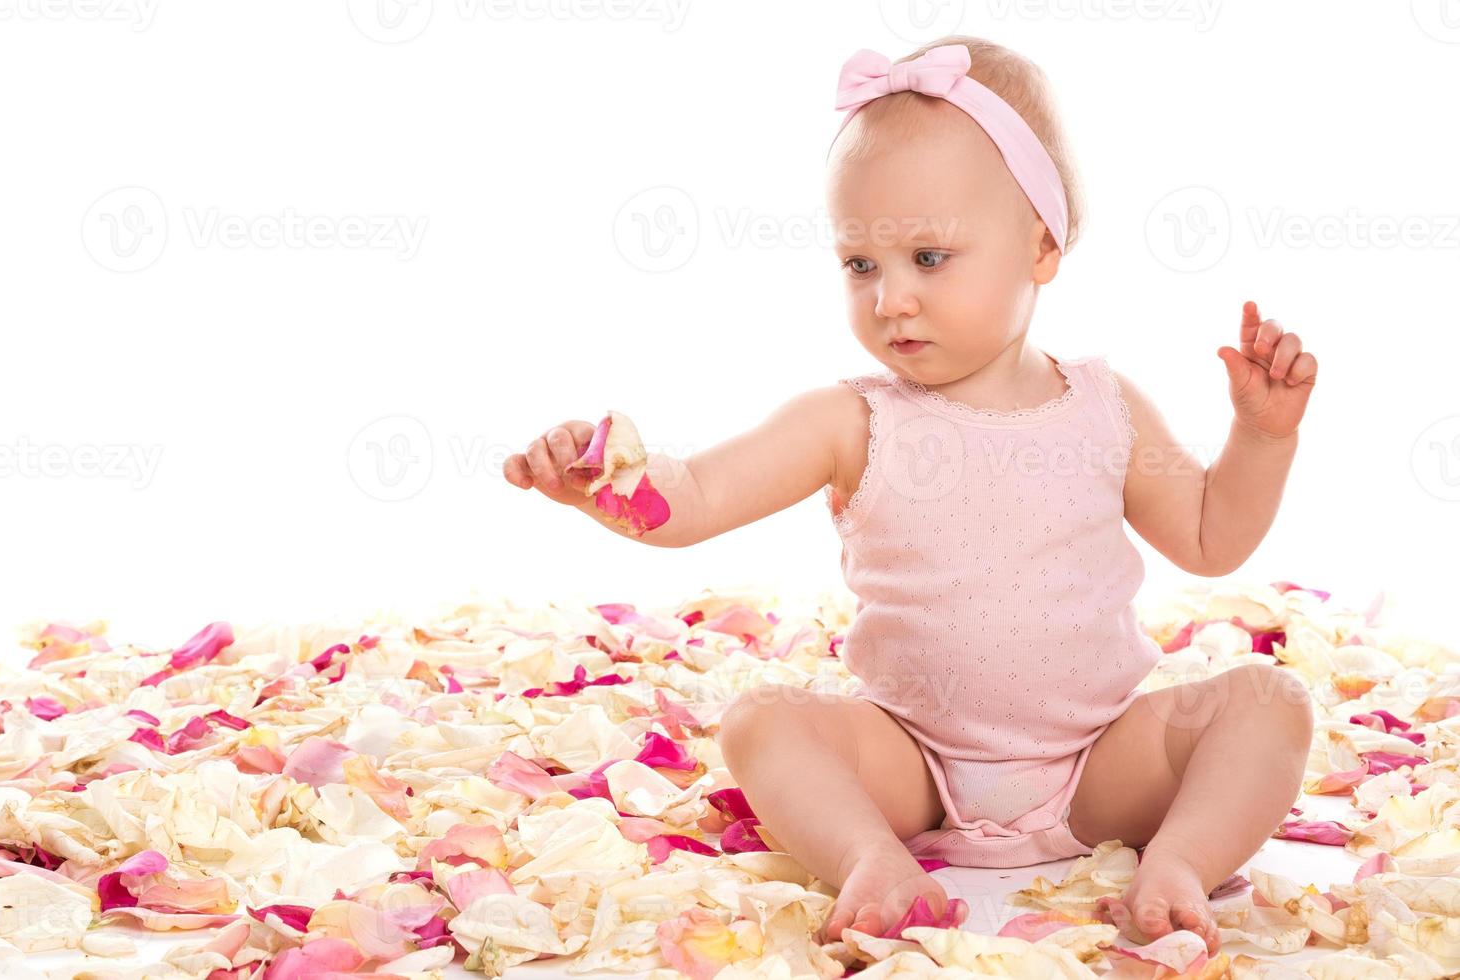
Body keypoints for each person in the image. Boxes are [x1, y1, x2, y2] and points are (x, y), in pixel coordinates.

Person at [504, 35, 1318, 956]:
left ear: (1042, 246)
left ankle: (1179, 861)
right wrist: (606, 480)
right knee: (762, 723)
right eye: (862, 265)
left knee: (1269, 705)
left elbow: (1212, 539)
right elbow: (692, 498)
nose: (890, 300)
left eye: (928, 258)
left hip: (1102, 762)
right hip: (914, 765)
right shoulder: (848, 421)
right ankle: (869, 857)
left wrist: (1262, 436)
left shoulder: (1106, 406)